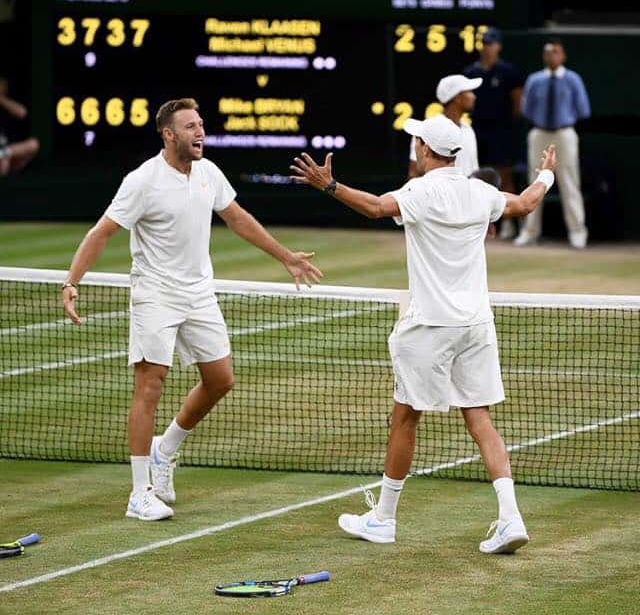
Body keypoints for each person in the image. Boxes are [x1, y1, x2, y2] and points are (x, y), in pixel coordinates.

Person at [290, 115, 557, 554]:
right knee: (480, 418)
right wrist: (547, 172)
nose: (414, 147)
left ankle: (384, 520)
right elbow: (526, 203)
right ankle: (510, 517)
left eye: (417, 142)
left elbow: (376, 208)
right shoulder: (480, 192)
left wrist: (329, 186)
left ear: (426, 151)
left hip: (430, 327)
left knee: (405, 417)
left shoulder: (420, 190)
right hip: (475, 325)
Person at [62, 98, 323, 521]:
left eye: (200, 125)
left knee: (220, 380)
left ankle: (165, 451)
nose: (199, 132)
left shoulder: (208, 172)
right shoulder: (142, 180)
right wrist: (72, 281)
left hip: (199, 292)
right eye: (190, 127)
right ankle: (139, 492)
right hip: (155, 293)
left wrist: (285, 257)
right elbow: (102, 232)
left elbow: (238, 218)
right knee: (151, 383)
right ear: (169, 135)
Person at [516, 38, 591, 249]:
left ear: (563, 55)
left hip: (564, 133)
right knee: (535, 180)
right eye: (548, 53)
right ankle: (529, 232)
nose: (552, 56)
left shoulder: (573, 79)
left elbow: (583, 109)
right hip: (539, 133)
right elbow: (526, 109)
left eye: (556, 52)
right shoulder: (535, 80)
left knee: (569, 181)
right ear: (544, 56)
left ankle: (577, 232)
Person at [463, 28, 524, 239]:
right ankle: (477, 223)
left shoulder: (508, 72)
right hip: (478, 131)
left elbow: (517, 102)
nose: (487, 48)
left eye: (491, 43)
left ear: (498, 46)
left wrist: (508, 125)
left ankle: (509, 225)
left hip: (501, 131)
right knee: (475, 177)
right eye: (485, 43)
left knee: (504, 176)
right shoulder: (471, 72)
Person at [408, 74, 480, 179]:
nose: (474, 96)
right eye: (469, 91)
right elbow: (414, 174)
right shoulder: (429, 130)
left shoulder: (468, 129)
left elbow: (474, 173)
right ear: (457, 98)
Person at [0, 76, 39, 176]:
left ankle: (4, 153)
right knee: (3, 164)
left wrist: (1, 99)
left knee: (33, 144)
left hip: (6, 154)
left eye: (3, 86)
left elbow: (22, 113)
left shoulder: (6, 105)